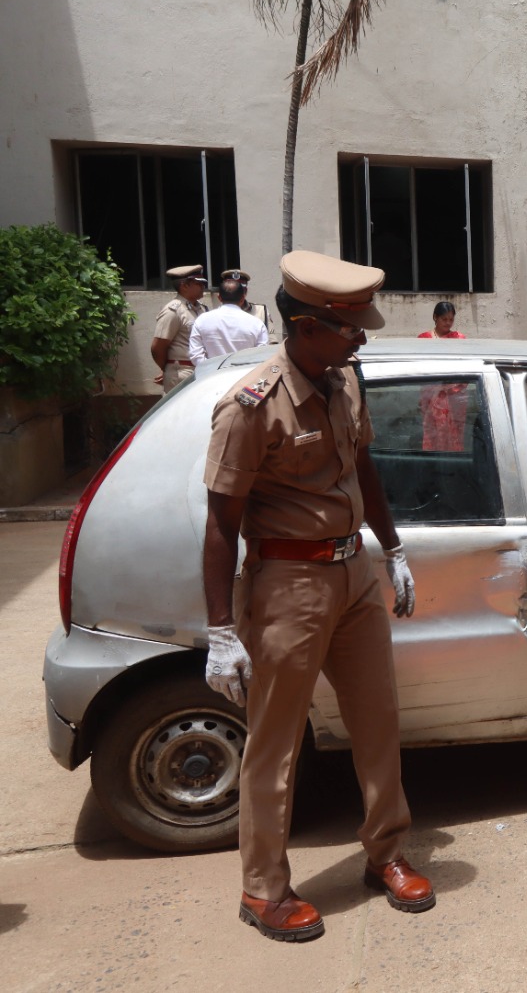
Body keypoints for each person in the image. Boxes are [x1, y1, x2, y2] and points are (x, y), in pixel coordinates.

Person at [201, 250, 429, 942]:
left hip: (353, 574)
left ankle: (385, 852)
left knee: (377, 723)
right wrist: (219, 630)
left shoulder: (343, 381)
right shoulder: (250, 407)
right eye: (348, 326)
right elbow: (220, 526)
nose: (361, 335)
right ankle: (263, 887)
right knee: (275, 743)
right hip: (287, 586)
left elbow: (365, 467)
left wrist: (391, 550)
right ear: (303, 327)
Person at [418, 301, 469, 451]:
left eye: (451, 320)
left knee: (454, 434)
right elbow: (420, 367)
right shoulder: (423, 339)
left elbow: (465, 368)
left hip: (454, 397)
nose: (448, 323)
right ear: (435, 317)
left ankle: (453, 463)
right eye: (444, 319)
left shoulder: (459, 339)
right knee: (432, 432)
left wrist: (450, 387)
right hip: (430, 395)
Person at [150, 265, 207, 393]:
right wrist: (168, 368)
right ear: (184, 286)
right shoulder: (173, 310)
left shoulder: (201, 309)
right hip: (181, 372)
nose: (203, 286)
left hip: (200, 370)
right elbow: (158, 347)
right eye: (199, 283)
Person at [191, 273, 269, 360]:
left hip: (212, 373)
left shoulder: (202, 320)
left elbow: (196, 355)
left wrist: (210, 369)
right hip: (246, 372)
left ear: (219, 297)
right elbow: (262, 355)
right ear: (243, 298)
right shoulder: (257, 323)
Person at [220, 269, 275, 340]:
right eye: (231, 290)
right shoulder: (214, 316)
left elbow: (271, 340)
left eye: (239, 290)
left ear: (245, 291)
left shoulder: (261, 311)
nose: (235, 293)